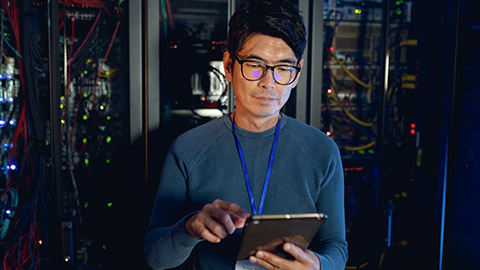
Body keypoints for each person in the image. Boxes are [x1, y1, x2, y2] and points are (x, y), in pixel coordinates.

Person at [143, 0, 348, 269]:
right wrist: (190, 228)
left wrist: (318, 265)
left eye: (283, 69)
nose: (268, 82)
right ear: (228, 66)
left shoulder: (322, 151)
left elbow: (336, 248)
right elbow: (155, 257)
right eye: (254, 65)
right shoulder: (189, 149)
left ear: (297, 73)